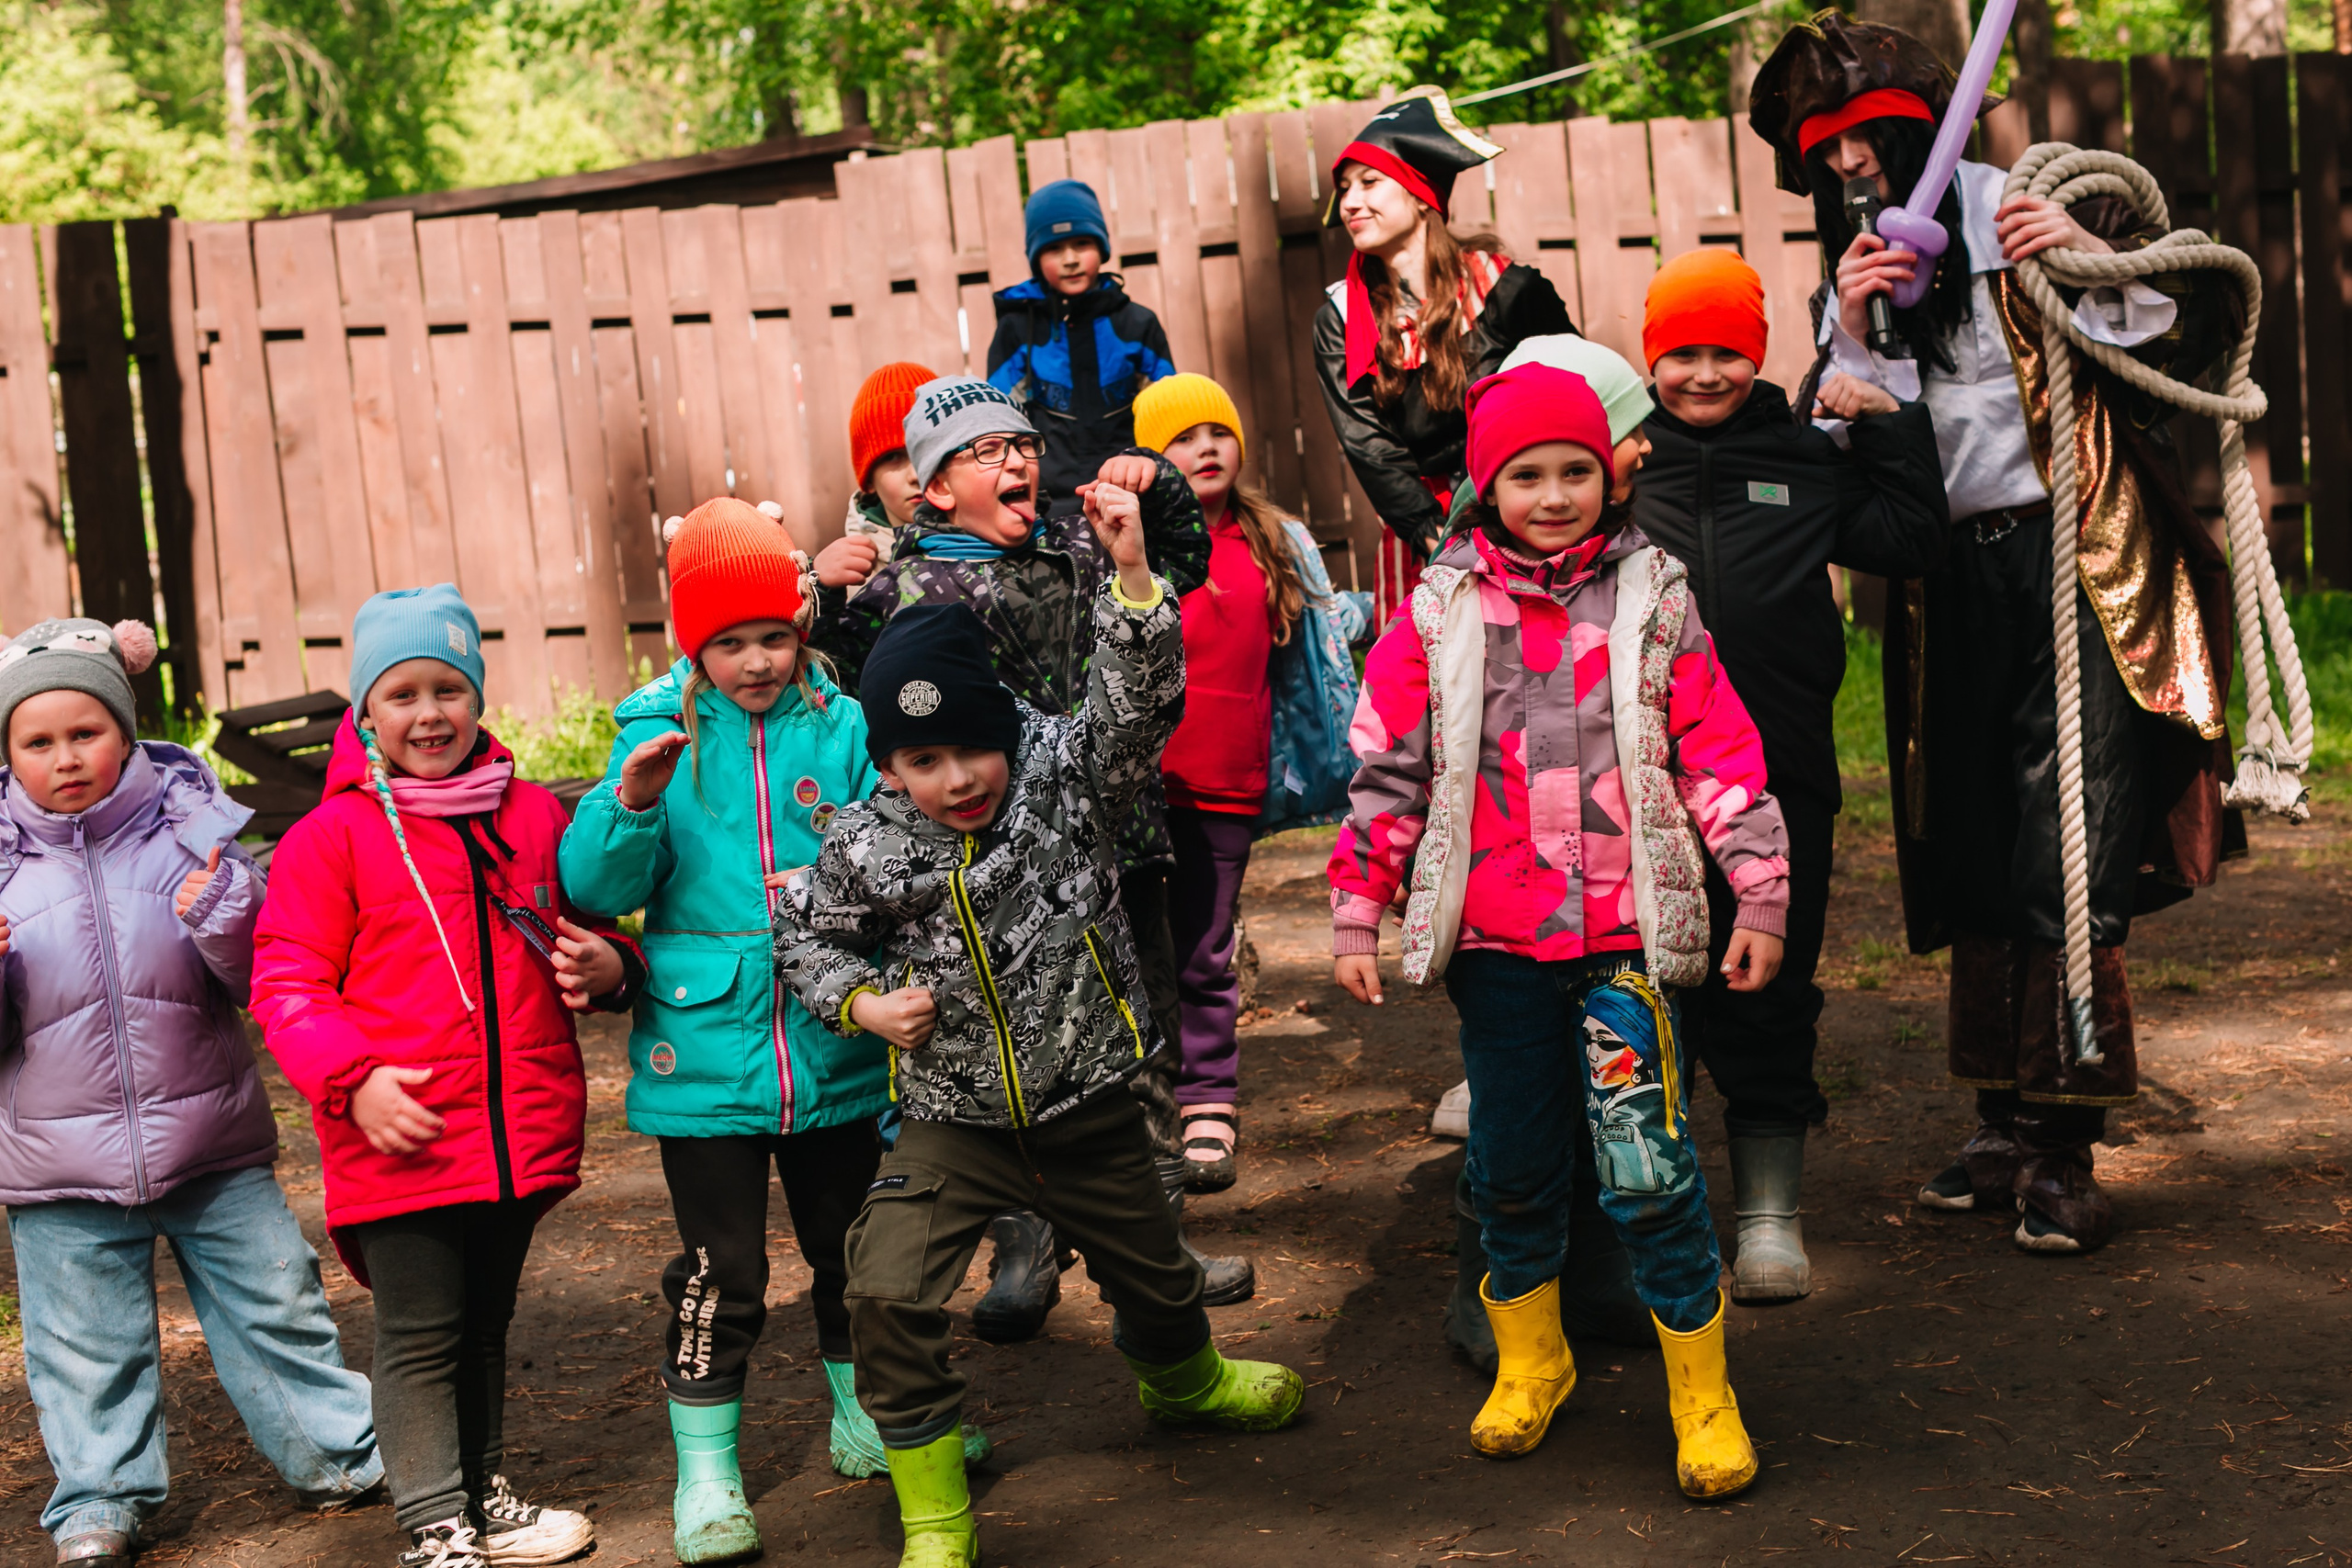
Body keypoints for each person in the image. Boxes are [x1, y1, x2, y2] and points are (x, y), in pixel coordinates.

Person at [1749, 13, 2243, 1254]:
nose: (1854, 171)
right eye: (1829, 157)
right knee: (1967, 833)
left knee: (2064, 847)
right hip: (1943, 586)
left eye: (1872, 144)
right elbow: (1853, 445)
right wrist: (1851, 335)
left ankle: (2066, 1140)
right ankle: (2000, 1117)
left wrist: (2084, 249)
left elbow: (2173, 337)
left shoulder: (2025, 214)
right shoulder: (1852, 275)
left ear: (1923, 133)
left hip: (2072, 567)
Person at [774, 501, 1305, 1568]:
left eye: (974, 749)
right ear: (885, 766)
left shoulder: (1068, 774)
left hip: (1089, 1098)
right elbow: (806, 935)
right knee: (882, 1284)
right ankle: (932, 1507)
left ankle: (1185, 1380)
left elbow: (1136, 706)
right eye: (923, 760)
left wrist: (1133, 581)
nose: (957, 779)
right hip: (950, 1118)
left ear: (1007, 732)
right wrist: (864, 1006)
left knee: (1156, 1276)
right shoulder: (870, 840)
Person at [1328, 364, 1792, 1498]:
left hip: (1623, 946)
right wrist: (1357, 906)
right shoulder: (1438, 612)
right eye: (1524, 474)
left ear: (1609, 473)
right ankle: (1533, 1364)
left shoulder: (1653, 598)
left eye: (1573, 470)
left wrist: (1759, 886)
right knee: (1513, 1169)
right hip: (1497, 953)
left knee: (1648, 1168)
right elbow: (1387, 765)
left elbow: (1717, 753)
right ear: (1486, 487)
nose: (1551, 493)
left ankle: (1703, 1393)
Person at [558, 500, 986, 1564]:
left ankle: (866, 1424)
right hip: (704, 1055)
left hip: (836, 1041)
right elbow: (593, 888)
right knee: (720, 1272)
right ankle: (707, 1479)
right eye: (730, 641)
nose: (756, 661)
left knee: (854, 1251)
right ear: (691, 643)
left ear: (802, 629)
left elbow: (890, 852)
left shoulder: (842, 727)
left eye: (774, 636)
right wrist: (632, 804)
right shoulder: (651, 732)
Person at [807, 375, 1250, 1339]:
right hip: (988, 871)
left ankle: (1156, 1255)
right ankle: (1025, 1248)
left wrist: (1155, 488)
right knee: (999, 1054)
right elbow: (841, 691)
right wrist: (821, 596)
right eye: (983, 452)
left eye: (1021, 443)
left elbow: (1182, 564)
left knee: (1138, 1044)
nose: (1015, 461)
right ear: (932, 490)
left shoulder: (1079, 545)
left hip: (1120, 844)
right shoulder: (905, 587)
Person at [252, 585, 645, 1568]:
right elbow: (287, 982)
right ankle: (436, 1527)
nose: (428, 714)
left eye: (448, 689)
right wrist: (355, 1083)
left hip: (514, 1130)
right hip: (404, 1131)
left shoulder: (529, 814)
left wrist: (614, 968)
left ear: (475, 695)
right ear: (365, 712)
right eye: (401, 694)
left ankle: (481, 1494)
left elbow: (590, 925)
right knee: (421, 1334)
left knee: (483, 1324)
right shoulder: (330, 839)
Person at [0, 618, 381, 1568]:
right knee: (84, 1351)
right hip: (59, 1171)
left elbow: (260, 979)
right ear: (8, 755)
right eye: (36, 743)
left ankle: (340, 1454)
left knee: (277, 1309)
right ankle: (99, 1497)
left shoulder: (192, 836)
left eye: (84, 732)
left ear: (125, 731)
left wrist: (223, 915)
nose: (65, 758)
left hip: (213, 1143)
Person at [1632, 247, 1949, 1302]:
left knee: (1766, 979)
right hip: (1640, 782)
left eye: (1725, 351)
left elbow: (1910, 540)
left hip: (1780, 771)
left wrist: (1889, 430)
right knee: (1646, 991)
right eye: (1681, 354)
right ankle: (1657, 1200)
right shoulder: (1626, 461)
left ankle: (1769, 1211)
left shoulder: (1804, 456)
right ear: (1650, 358)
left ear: (1756, 353)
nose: (1705, 374)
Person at [1130, 372, 1369, 1192]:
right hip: (1142, 784)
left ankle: (1209, 1101)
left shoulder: (1277, 539)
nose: (1204, 448)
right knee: (1138, 947)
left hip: (1229, 778)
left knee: (1204, 946)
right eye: (1181, 438)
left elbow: (1319, 642)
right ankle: (1139, 1099)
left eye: (1217, 433)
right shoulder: (1135, 542)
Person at [1314, 85, 1578, 620]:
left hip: (1529, 512)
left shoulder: (1510, 290)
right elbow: (1365, 441)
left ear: (1419, 193)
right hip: (1423, 532)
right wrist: (1429, 528)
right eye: (1344, 190)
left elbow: (1574, 390)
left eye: (1369, 183)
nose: (1350, 204)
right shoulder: (1338, 319)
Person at [987, 179, 1177, 503]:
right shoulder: (1017, 331)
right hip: (1048, 505)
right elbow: (1000, 424)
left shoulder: (1137, 324)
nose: (1070, 259)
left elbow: (1168, 417)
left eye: (1083, 244)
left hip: (1134, 496)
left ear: (1102, 249)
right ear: (1035, 258)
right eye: (1054, 248)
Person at [841, 361, 937, 550]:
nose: (916, 476)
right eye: (893, 457)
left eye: (926, 451)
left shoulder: (999, 542)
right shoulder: (857, 574)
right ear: (868, 480)